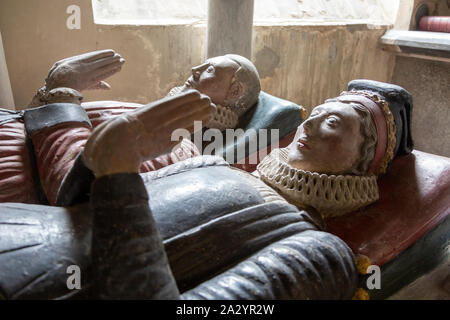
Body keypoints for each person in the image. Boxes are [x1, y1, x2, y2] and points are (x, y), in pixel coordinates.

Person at [0, 79, 413, 300]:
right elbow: (80, 213)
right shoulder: (213, 163)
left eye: (335, 124)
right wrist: (101, 160)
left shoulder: (323, 254)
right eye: (316, 113)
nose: (308, 124)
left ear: (363, 163)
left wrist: (118, 177)